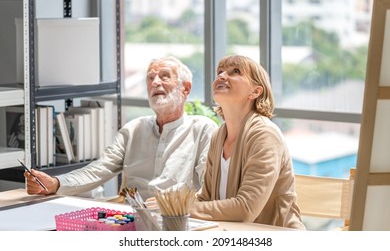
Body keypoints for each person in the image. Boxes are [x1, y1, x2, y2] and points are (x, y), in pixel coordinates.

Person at [24, 56, 218, 200]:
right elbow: (99, 169)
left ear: (186, 88)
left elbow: (210, 185)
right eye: (150, 78)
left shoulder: (202, 129)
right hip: (130, 218)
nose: (155, 82)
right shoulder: (133, 129)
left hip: (177, 220)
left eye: (164, 76)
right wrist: (56, 183)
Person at [190, 55, 305, 229]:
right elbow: (206, 198)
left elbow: (245, 209)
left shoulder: (264, 134)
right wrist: (168, 205)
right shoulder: (218, 135)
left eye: (235, 71)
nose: (221, 76)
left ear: (255, 91)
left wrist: (182, 208)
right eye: (220, 72)